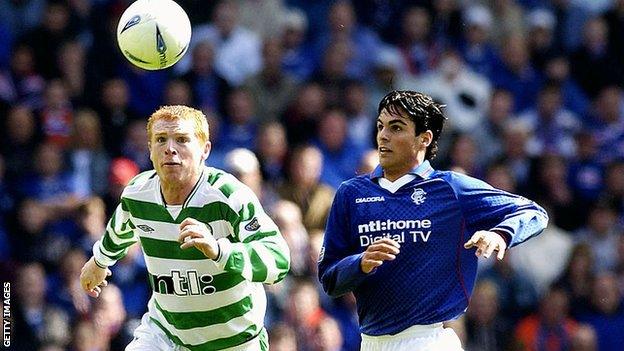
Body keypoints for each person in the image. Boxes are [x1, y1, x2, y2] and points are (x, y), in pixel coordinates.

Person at [317, 90, 548, 350]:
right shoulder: (351, 193)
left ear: (424, 138)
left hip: (428, 340)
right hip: (371, 342)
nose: (383, 135)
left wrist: (501, 234)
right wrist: (361, 263)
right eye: (381, 126)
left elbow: (533, 213)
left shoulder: (451, 188)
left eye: (396, 127)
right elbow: (329, 279)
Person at [79, 105, 290, 350]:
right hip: (165, 333)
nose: (170, 148)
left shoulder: (227, 196)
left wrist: (220, 251)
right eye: (160, 140)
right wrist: (99, 261)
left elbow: (279, 260)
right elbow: (120, 228)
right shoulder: (138, 194)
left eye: (181, 139)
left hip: (234, 341)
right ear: (150, 149)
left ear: (205, 150)